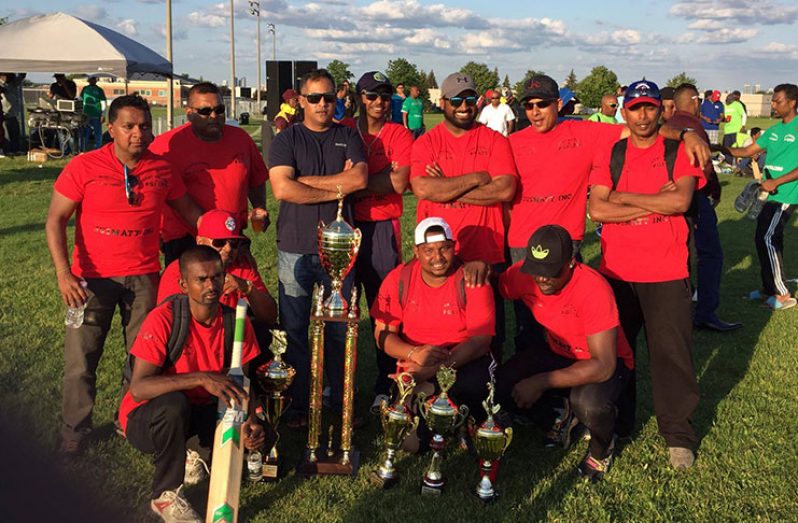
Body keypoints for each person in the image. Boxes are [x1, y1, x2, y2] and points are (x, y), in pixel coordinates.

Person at [45, 94, 202, 457]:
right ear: (111, 128)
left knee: (142, 356)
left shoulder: (162, 169)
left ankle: (128, 417)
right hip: (90, 280)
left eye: (144, 126)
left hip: (144, 277)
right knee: (82, 358)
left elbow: (189, 211)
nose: (138, 133)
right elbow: (55, 219)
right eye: (129, 126)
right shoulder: (84, 167)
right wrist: (63, 274)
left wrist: (219, 235)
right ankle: (74, 428)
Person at [507, 75, 709, 353]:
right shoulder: (512, 142)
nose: (535, 111)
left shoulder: (585, 133)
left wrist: (686, 134)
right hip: (522, 244)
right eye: (528, 106)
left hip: (567, 242)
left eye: (542, 104)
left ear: (558, 103)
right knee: (528, 324)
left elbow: (641, 129)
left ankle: (568, 385)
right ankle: (530, 381)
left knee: (568, 324)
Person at [588, 79, 705, 470]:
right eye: (635, 108)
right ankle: (619, 423)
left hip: (666, 269)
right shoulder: (613, 153)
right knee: (619, 353)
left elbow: (680, 200)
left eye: (650, 107)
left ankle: (678, 435)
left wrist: (624, 196)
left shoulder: (677, 151)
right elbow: (598, 210)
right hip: (617, 271)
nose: (642, 115)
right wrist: (652, 201)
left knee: (671, 355)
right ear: (624, 111)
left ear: (661, 111)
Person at [464, 225, 634, 481]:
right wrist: (482, 268)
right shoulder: (526, 275)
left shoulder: (593, 289)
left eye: (550, 272)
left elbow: (603, 366)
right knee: (499, 386)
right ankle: (558, 415)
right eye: (536, 270)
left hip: (604, 361)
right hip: (557, 351)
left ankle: (601, 450)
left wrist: (541, 382)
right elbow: (498, 284)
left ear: (572, 262)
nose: (542, 279)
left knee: (588, 404)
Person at [120, 246, 264, 523]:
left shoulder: (235, 320)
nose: (212, 285)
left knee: (257, 434)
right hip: (148, 417)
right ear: (184, 284)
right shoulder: (164, 319)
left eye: (217, 277)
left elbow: (241, 383)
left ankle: (191, 454)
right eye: (201, 279)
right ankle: (166, 496)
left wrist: (251, 420)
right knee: (174, 405)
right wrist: (200, 377)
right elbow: (139, 388)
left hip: (200, 409)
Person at [267, 68, 367, 423]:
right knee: (294, 329)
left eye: (330, 98)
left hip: (338, 250)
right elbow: (282, 189)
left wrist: (305, 182)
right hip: (294, 245)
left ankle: (341, 400)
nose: (323, 104)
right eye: (315, 98)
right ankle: (297, 403)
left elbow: (360, 178)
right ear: (301, 101)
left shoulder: (348, 135)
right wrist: (338, 184)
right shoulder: (286, 138)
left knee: (341, 329)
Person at [410, 71, 517, 359]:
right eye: (456, 99)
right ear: (443, 102)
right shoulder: (427, 142)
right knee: (439, 329)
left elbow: (505, 189)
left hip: (485, 251)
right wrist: (479, 177)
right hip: (438, 254)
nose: (464, 105)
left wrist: (446, 186)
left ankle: (489, 395)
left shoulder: (495, 141)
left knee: (487, 334)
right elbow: (422, 187)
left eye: (470, 98)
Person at [372, 217, 494, 419]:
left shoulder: (471, 279)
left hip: (463, 361)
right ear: (416, 251)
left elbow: (480, 343)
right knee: (410, 441)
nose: (438, 257)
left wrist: (433, 370)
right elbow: (382, 334)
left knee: (471, 392)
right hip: (416, 363)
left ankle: (468, 422)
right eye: (429, 250)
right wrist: (414, 353)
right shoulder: (398, 279)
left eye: (444, 248)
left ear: (454, 247)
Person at [150, 82, 269, 266]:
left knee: (239, 292)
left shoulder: (241, 139)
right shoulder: (165, 145)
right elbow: (152, 191)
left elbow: (256, 178)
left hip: (231, 237)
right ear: (189, 113)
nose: (213, 116)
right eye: (205, 111)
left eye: (219, 110)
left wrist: (260, 206)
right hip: (185, 240)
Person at [351, 71, 413, 410]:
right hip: (344, 226)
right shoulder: (346, 129)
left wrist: (352, 181)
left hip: (382, 228)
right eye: (372, 95)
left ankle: (385, 382)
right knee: (342, 310)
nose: (379, 102)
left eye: (385, 96)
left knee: (385, 309)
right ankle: (338, 382)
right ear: (361, 97)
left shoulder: (399, 134)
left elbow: (400, 182)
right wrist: (377, 179)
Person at [667, 83, 741, 331]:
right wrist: (716, 190)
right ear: (696, 102)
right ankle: (705, 312)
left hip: (668, 198)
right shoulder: (693, 126)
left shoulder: (667, 125)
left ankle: (678, 310)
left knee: (680, 255)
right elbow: (705, 165)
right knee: (710, 254)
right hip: (695, 196)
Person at [157, 209, 278, 352]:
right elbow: (167, 324)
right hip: (190, 346)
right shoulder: (179, 270)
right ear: (200, 241)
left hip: (230, 340)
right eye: (219, 242)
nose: (227, 249)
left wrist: (247, 288)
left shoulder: (242, 266)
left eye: (234, 243)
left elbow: (269, 317)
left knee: (273, 335)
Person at [729, 83, 798, 310]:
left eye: (778, 101)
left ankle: (783, 294)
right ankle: (769, 288)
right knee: (764, 237)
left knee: (768, 238)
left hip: (786, 194)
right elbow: (749, 151)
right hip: (770, 194)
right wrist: (721, 149)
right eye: (772, 101)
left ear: (792, 102)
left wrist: (776, 181)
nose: (773, 104)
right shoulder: (774, 131)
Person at [0, 72, 25, 154]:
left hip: (13, 113)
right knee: (6, 134)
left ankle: (16, 149)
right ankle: (7, 150)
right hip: (4, 114)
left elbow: (22, 76)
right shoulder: (1, 85)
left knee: (15, 133)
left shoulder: (13, 83)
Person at [80, 76, 107, 151]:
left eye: (93, 79)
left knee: (97, 132)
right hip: (86, 114)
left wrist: (103, 114)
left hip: (96, 114)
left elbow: (103, 102)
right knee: (85, 132)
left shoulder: (99, 90)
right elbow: (81, 100)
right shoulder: (85, 89)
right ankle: (83, 148)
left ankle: (98, 148)